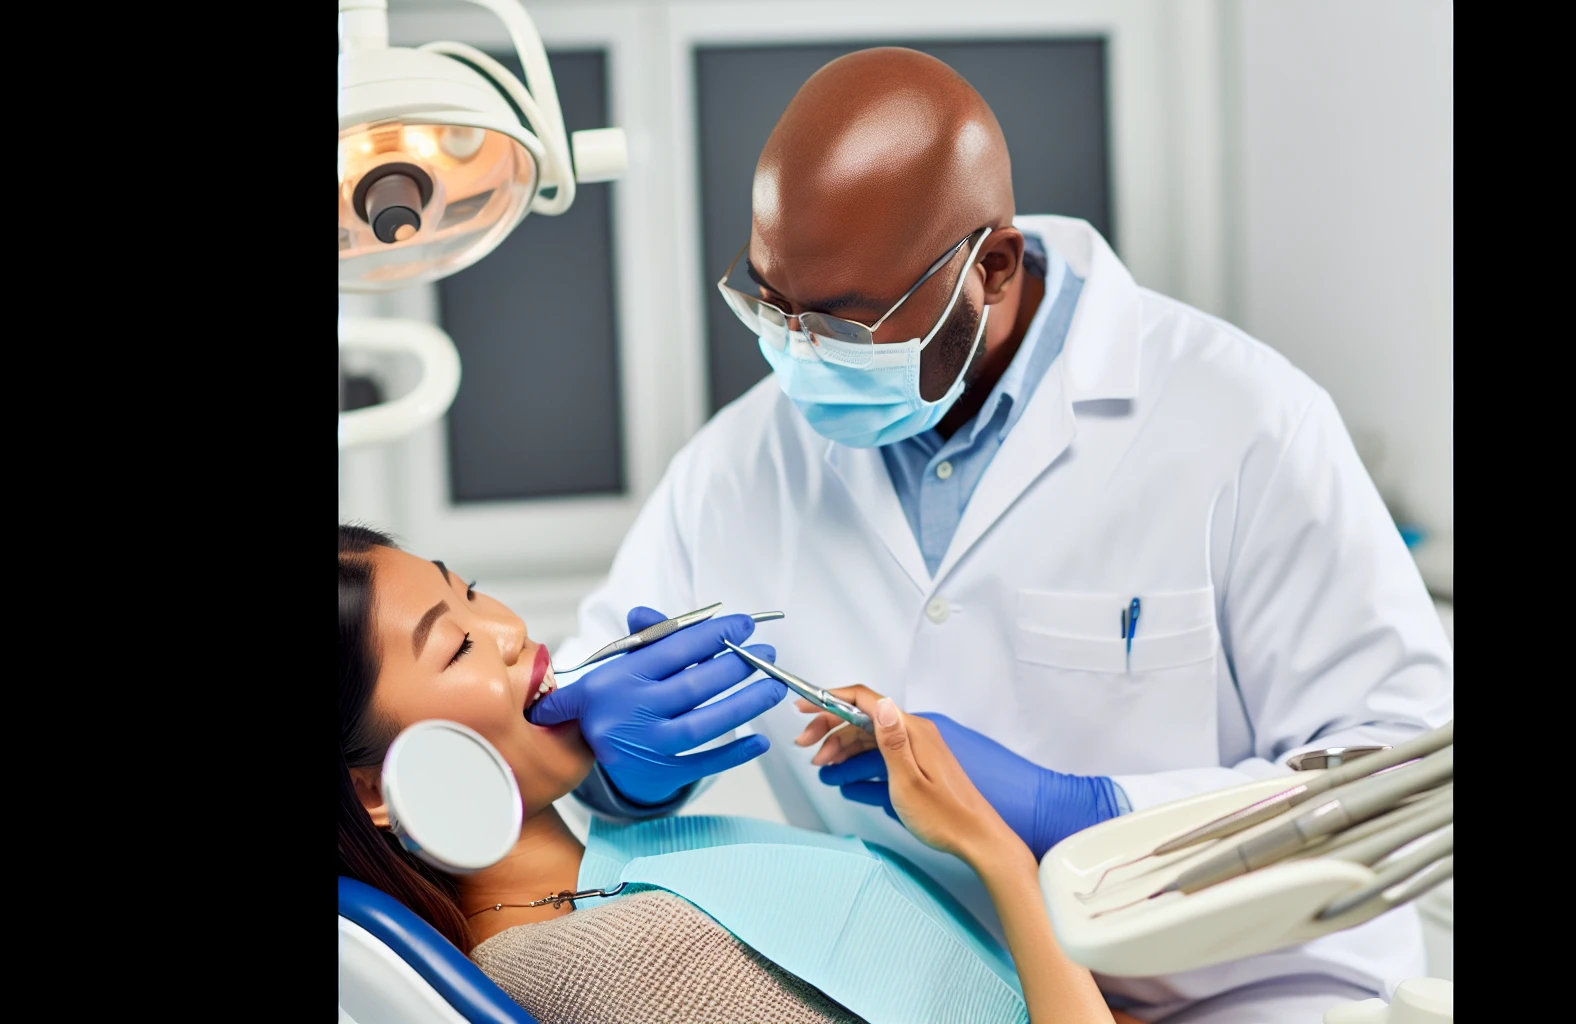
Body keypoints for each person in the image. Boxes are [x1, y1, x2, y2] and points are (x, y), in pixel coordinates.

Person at [559, 46, 1454, 1021]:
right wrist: (614, 766)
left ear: (989, 266)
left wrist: (1086, 811)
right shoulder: (735, 465)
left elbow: (1399, 767)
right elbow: (579, 702)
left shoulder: (1246, 420)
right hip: (936, 991)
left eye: (846, 327)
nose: (796, 355)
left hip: (1252, 989)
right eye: (770, 306)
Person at [337, 523, 1148, 1024]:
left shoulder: (605, 876)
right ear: (374, 790)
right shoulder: (611, 954)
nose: (510, 629)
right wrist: (998, 850)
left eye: (473, 591)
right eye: (460, 646)